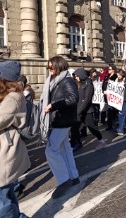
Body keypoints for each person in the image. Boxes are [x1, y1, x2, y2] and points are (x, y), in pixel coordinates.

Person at [39, 56, 80, 199]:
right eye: (48, 67)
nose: (49, 69)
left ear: (59, 66)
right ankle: (74, 176)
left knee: (51, 150)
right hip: (60, 120)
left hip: (62, 121)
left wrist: (53, 105)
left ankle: (64, 181)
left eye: (52, 67)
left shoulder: (66, 80)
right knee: (65, 149)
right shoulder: (54, 81)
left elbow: (73, 98)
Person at [0, 61, 30, 218]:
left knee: (3, 203)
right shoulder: (7, 96)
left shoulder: (13, 98)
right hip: (4, 148)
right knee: (6, 195)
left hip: (5, 150)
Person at [71, 68, 106, 151]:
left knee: (92, 128)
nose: (76, 78)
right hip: (79, 110)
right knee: (74, 128)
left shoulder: (89, 85)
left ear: (81, 75)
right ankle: (75, 144)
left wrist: (79, 110)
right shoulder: (81, 84)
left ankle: (101, 141)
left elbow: (87, 100)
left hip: (87, 111)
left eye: (77, 76)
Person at [102, 65, 118, 131]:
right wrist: (103, 91)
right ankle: (110, 125)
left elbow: (117, 87)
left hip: (113, 97)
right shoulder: (106, 76)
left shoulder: (116, 77)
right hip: (107, 96)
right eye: (108, 69)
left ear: (113, 70)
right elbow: (103, 84)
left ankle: (114, 123)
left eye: (110, 69)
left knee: (113, 111)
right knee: (109, 111)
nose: (109, 70)